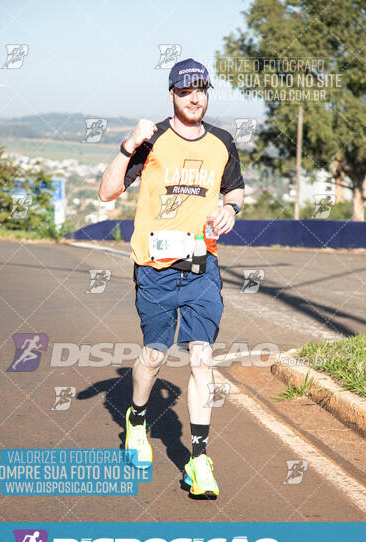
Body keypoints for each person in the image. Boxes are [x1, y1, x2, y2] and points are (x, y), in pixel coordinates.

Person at [99, 58, 245, 498]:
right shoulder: (153, 138)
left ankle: (198, 459)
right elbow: (107, 192)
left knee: (201, 357)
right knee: (155, 355)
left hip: (203, 265)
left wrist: (230, 209)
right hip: (155, 268)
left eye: (201, 89)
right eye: (185, 91)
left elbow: (234, 187)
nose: (195, 97)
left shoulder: (222, 142)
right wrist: (128, 146)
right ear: (172, 96)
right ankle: (137, 417)